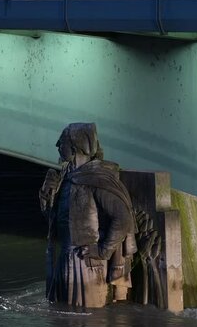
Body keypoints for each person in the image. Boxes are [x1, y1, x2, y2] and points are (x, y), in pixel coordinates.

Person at [39, 123, 136, 308]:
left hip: (87, 263)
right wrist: (47, 194)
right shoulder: (67, 177)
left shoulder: (97, 178)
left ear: (75, 146)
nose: (57, 145)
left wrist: (102, 250)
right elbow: (56, 221)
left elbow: (123, 218)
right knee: (64, 325)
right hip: (66, 258)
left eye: (62, 142)